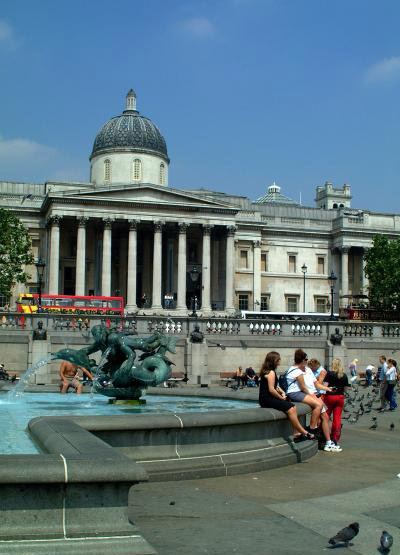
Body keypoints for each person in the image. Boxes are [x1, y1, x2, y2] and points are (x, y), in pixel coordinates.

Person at [259, 351, 314, 442]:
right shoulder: (271, 372)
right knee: (291, 407)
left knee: (292, 407)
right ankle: (304, 432)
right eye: (278, 359)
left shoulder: (266, 371)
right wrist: (281, 398)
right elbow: (271, 389)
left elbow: (274, 386)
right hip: (267, 399)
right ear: (274, 360)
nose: (280, 361)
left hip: (264, 399)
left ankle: (296, 432)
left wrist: (281, 391)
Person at [302, 361, 341, 452]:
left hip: (317, 395)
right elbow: (314, 384)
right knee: (324, 418)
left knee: (325, 417)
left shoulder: (314, 370)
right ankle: (323, 439)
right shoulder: (302, 371)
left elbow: (317, 383)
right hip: (314, 396)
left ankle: (326, 441)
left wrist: (327, 388)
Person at [286, 349, 325, 432]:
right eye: (306, 360)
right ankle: (311, 428)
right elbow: (303, 387)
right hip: (294, 393)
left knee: (319, 404)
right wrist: (311, 396)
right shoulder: (297, 371)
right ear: (302, 360)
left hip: (296, 392)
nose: (307, 362)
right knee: (318, 405)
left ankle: (311, 428)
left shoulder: (293, 368)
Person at [320, 358, 349, 448]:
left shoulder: (329, 373)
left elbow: (324, 386)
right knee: (337, 418)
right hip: (340, 397)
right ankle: (335, 439)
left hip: (330, 397)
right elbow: (345, 389)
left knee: (326, 417)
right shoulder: (344, 375)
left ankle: (325, 436)